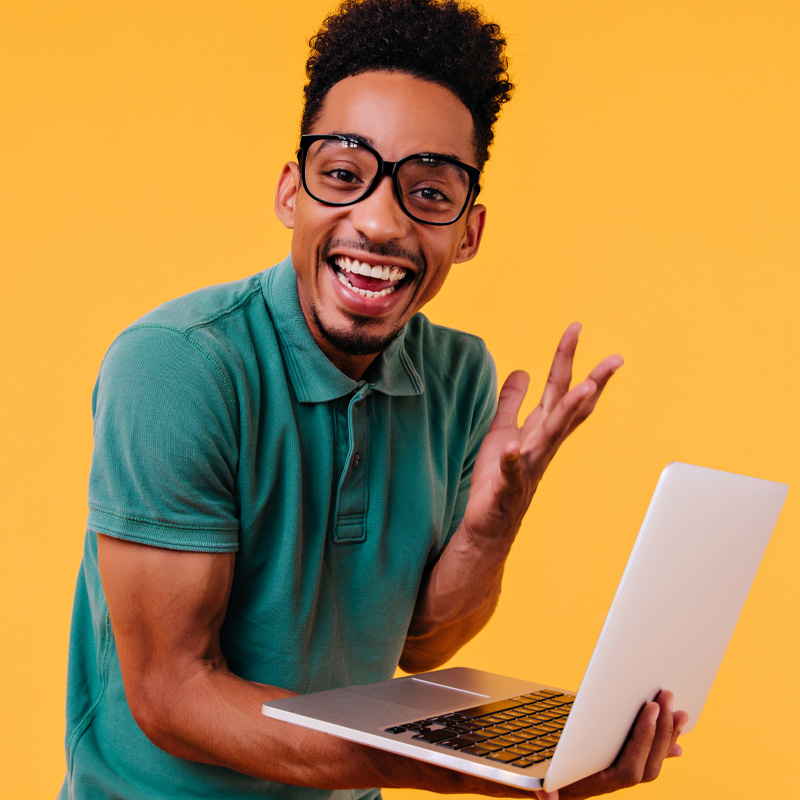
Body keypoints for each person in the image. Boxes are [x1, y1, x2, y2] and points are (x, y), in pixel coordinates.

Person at [60, 1, 686, 798]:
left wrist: (492, 527)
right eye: (344, 176)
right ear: (292, 193)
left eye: (428, 192)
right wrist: (454, 762)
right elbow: (173, 694)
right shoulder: (179, 366)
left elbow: (425, 645)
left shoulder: (460, 377)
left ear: (468, 231)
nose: (381, 222)